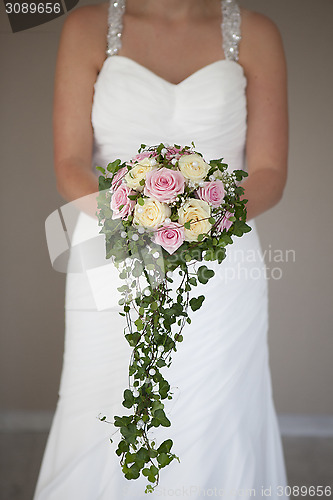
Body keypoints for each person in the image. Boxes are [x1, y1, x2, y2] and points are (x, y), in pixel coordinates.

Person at [34, 0, 289, 498]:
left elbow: (270, 175)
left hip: (220, 257)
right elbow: (70, 164)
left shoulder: (257, 33)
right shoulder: (87, 25)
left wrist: (202, 219)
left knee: (214, 411)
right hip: (111, 250)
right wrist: (132, 215)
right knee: (105, 406)